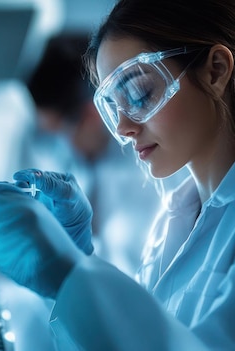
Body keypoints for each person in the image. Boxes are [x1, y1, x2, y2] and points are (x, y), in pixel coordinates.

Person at [0, 0, 235, 350]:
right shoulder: (172, 220)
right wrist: (79, 263)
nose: (122, 127)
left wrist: (71, 273)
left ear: (216, 71)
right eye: (113, 106)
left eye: (138, 93)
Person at [21, 33, 165, 275]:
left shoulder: (150, 177)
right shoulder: (87, 164)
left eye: (60, 135)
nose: (60, 148)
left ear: (91, 116)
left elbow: (131, 280)